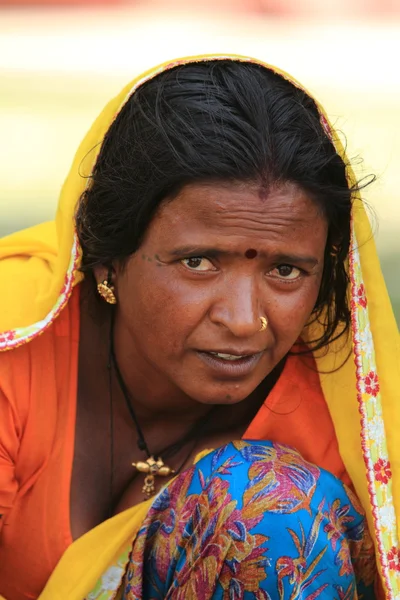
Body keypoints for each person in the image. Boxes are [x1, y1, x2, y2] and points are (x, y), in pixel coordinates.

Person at [0, 54, 399, 600]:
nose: (243, 321)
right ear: (107, 258)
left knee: (270, 506)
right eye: (198, 262)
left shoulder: (338, 419)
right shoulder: (13, 344)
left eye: (286, 271)